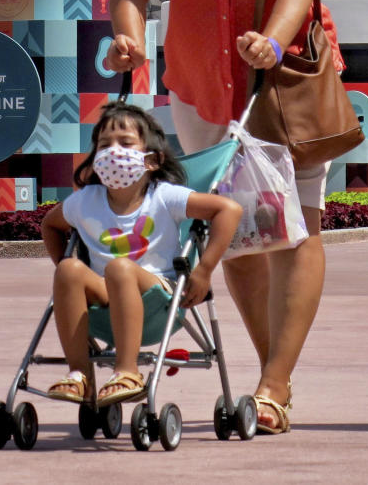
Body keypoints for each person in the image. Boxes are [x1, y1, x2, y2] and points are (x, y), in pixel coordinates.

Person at [106, 0, 343, 435]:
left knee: (295, 226)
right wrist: (127, 32)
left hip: (282, 85)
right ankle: (275, 378)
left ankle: (273, 384)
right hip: (203, 87)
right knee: (236, 234)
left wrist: (271, 37)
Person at [40, 101, 241, 406]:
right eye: (104, 145)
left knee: (120, 268)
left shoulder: (164, 196)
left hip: (158, 297)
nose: (113, 151)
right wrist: (71, 278)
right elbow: (49, 225)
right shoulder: (86, 200)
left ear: (151, 160)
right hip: (106, 297)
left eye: (125, 143)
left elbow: (229, 210)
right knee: (68, 269)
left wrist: (204, 270)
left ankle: (127, 371)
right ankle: (81, 376)